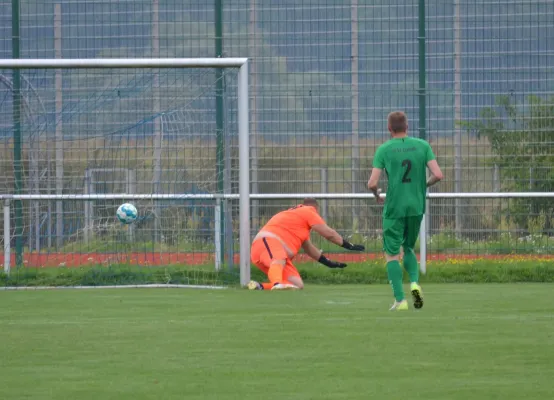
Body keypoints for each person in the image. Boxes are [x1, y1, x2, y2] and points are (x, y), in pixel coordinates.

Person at [367, 111, 443, 310]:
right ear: (407, 127)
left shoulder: (384, 149)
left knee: (392, 253)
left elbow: (372, 182)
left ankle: (400, 300)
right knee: (408, 247)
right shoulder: (422, 145)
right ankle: (415, 284)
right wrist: (423, 185)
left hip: (394, 207)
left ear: (389, 128)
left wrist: (376, 194)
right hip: (416, 205)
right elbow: (438, 174)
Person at [248, 198, 365, 290]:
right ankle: (277, 284)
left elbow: (309, 249)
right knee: (279, 259)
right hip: (267, 243)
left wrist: (329, 263)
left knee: (297, 285)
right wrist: (349, 245)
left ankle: (260, 286)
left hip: (270, 254)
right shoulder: (308, 210)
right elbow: (328, 233)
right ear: (316, 208)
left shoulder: (297, 222)